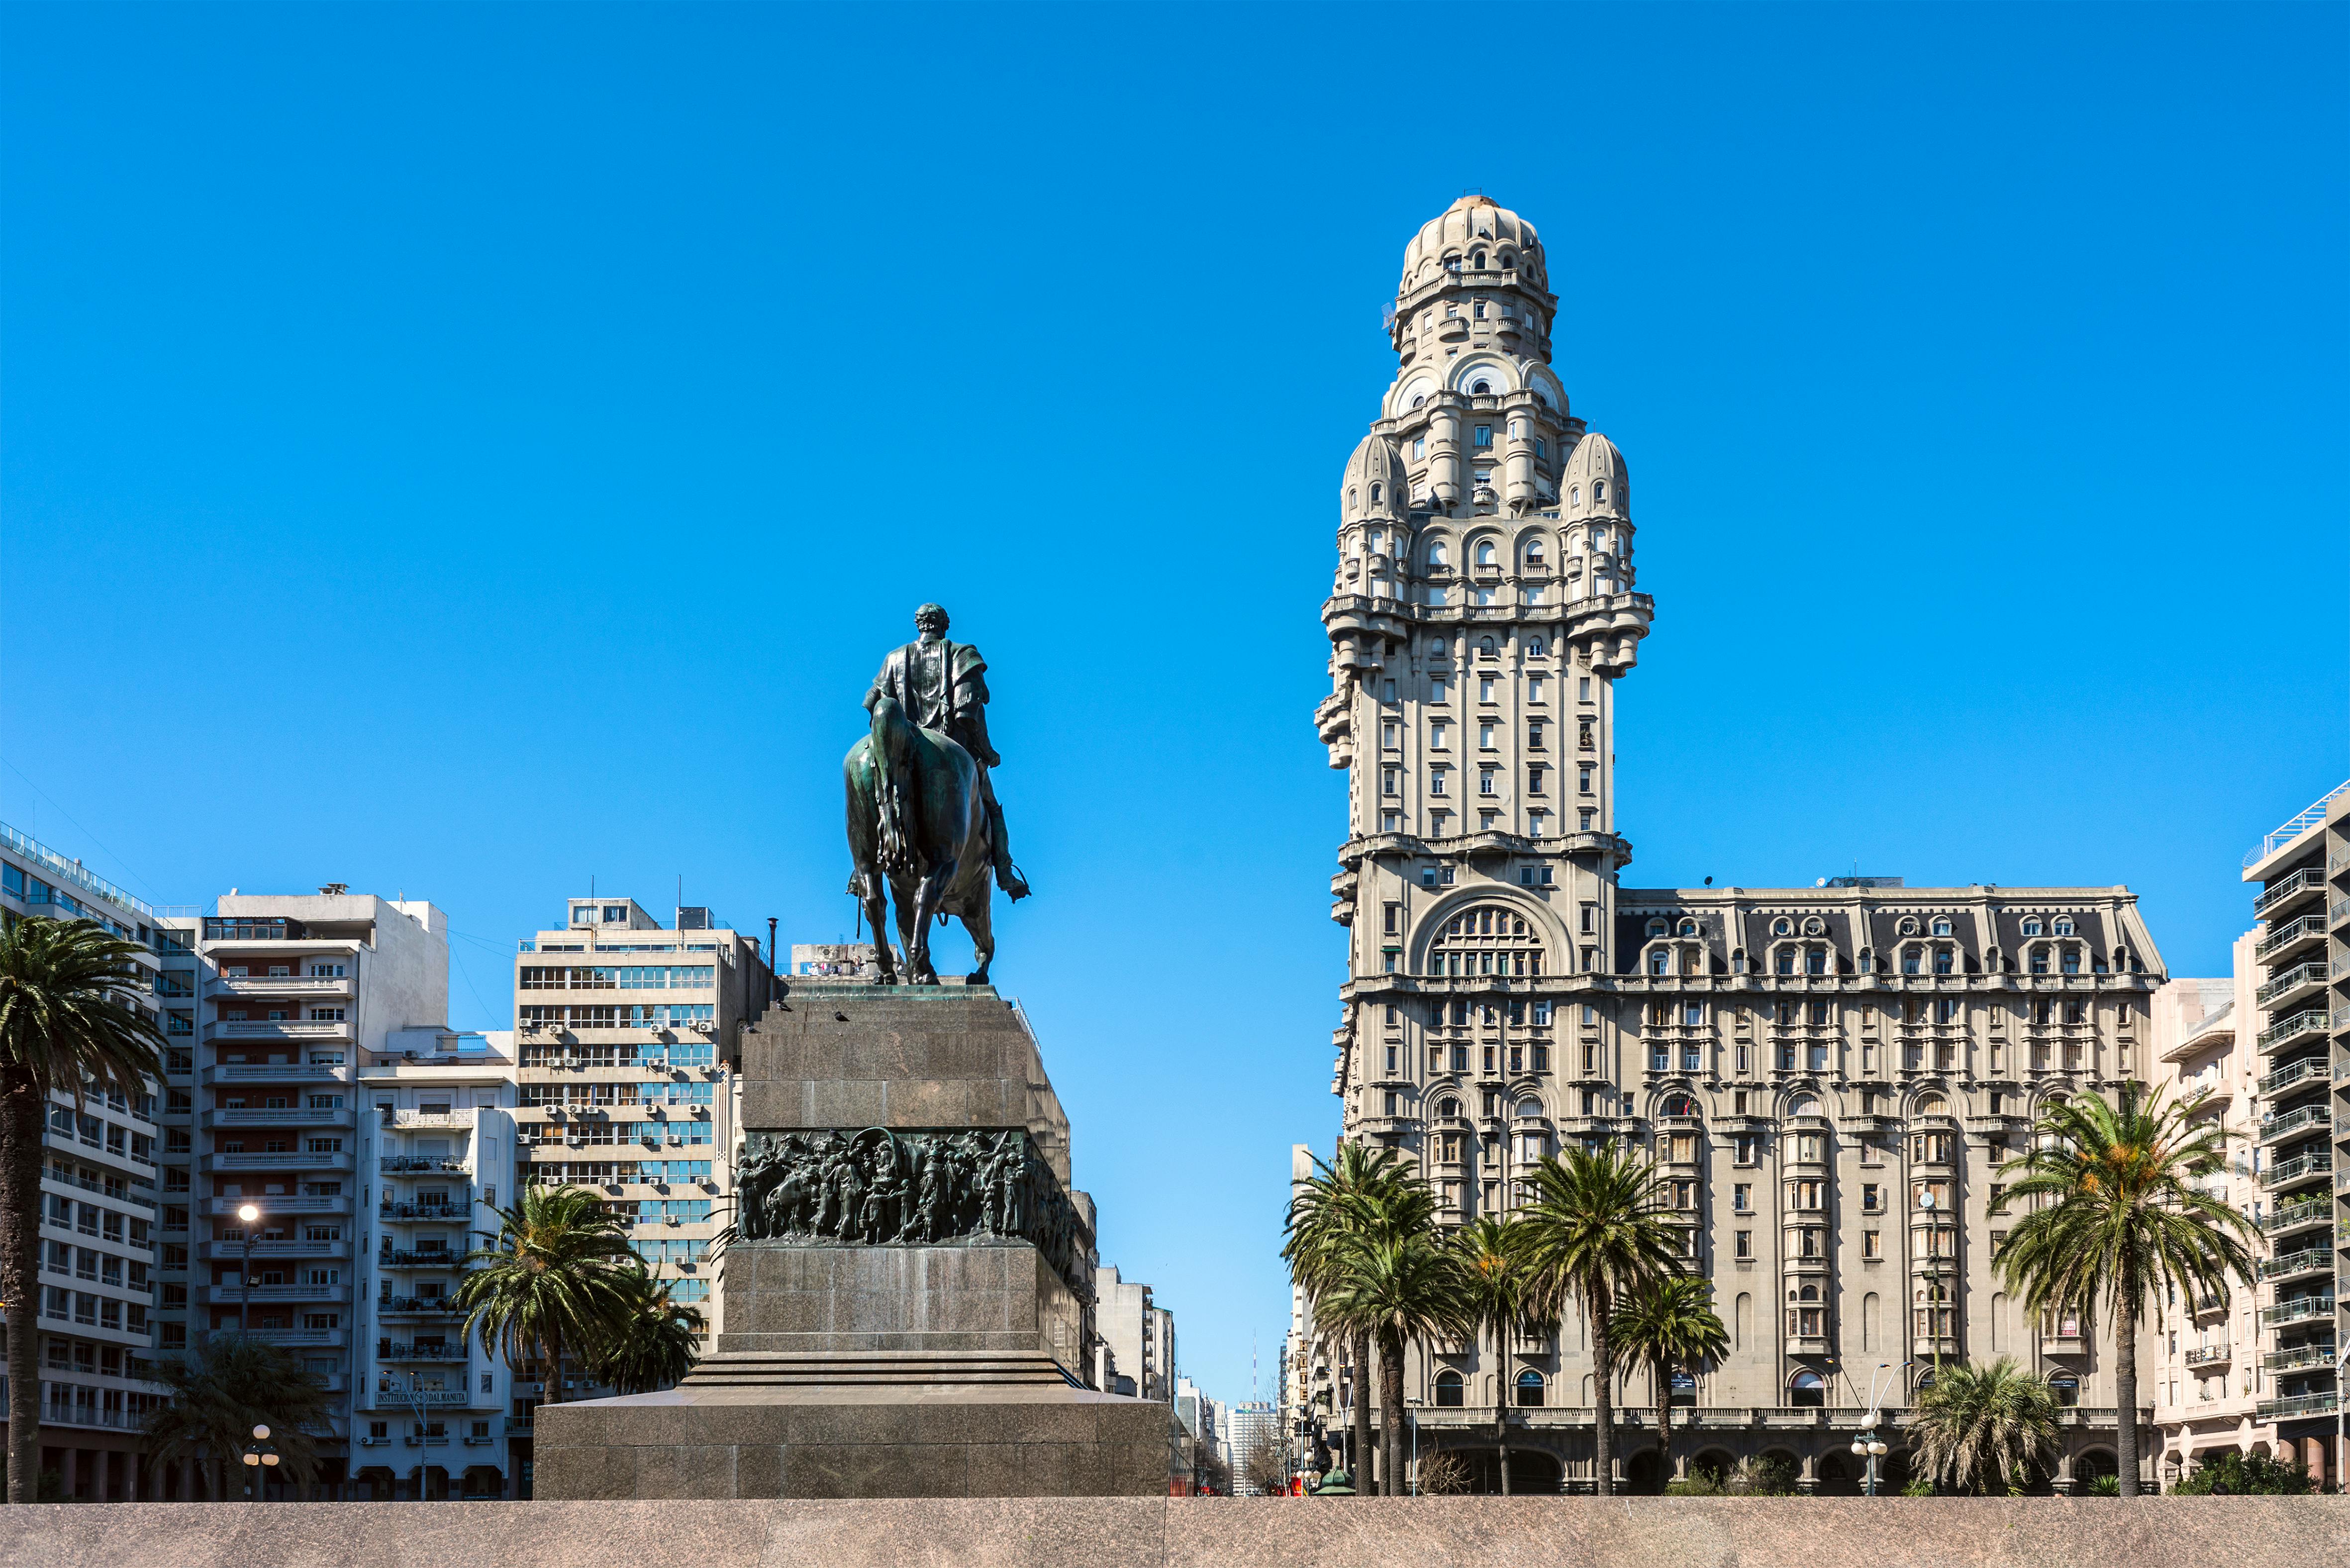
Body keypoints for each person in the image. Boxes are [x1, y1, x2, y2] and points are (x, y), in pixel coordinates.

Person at [865, 603, 1031, 899]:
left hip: (901, 750)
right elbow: (968, 712)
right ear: (945, 625)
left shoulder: (893, 658)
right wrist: (987, 751)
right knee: (991, 807)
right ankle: (1005, 873)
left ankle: (862, 868)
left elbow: (872, 703)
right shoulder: (962, 654)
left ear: (919, 625)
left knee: (876, 794)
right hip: (951, 748)